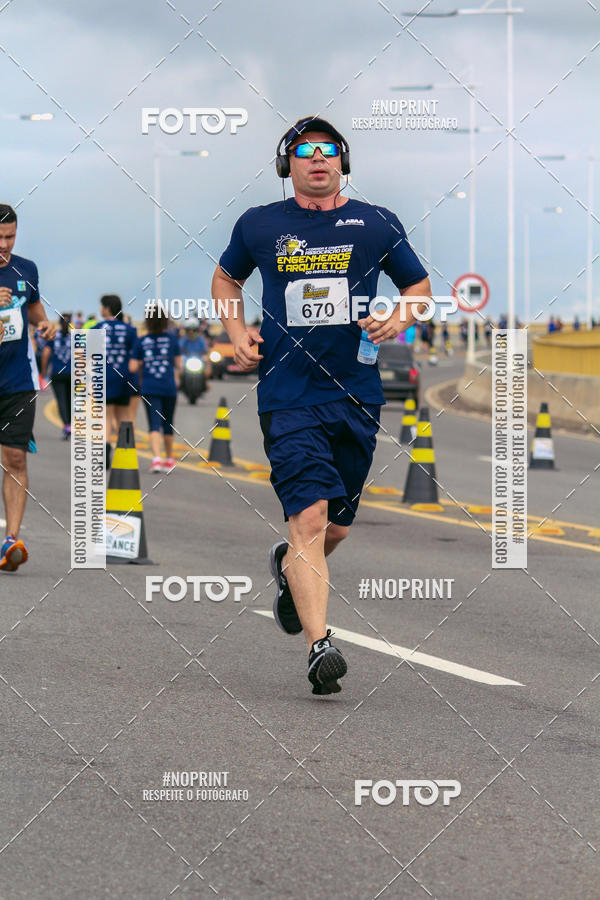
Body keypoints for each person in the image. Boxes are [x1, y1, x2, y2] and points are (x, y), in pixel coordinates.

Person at [212, 116, 430, 695]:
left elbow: (418, 287)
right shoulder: (259, 224)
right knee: (309, 518)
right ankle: (319, 646)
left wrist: (399, 318)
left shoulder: (376, 223)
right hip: (287, 395)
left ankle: (289, 565)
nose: (317, 160)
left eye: (328, 151)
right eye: (304, 152)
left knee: (334, 528)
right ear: (287, 165)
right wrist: (235, 331)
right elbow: (225, 279)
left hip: (356, 394)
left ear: (343, 162)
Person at [0, 203, 56, 571]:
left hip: (17, 381)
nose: (4, 244)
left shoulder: (26, 269)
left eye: (10, 236)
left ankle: (11, 541)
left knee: (15, 458)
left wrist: (45, 324)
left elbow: (32, 310)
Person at [130, 308, 181, 472]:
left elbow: (132, 366)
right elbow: (179, 364)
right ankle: (169, 458)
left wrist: (143, 362)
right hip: (168, 387)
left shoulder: (141, 341)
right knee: (168, 424)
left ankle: (157, 458)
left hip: (150, 388)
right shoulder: (172, 340)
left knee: (154, 424)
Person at [93, 294, 137, 465]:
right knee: (124, 416)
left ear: (106, 308)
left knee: (105, 416)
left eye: (101, 306)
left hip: (104, 376)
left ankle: (105, 451)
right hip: (124, 376)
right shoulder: (130, 329)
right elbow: (135, 357)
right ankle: (125, 453)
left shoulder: (97, 328)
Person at [41, 312, 73, 439]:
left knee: (61, 400)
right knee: (70, 400)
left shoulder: (53, 336)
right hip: (72, 373)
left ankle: (66, 425)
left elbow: (45, 354)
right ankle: (69, 424)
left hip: (57, 373)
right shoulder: (75, 337)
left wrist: (43, 371)